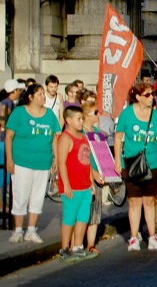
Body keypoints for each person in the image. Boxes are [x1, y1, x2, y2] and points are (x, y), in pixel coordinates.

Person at [4, 84, 61, 243]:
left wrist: (56, 158)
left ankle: (31, 230)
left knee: (37, 197)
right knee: (21, 195)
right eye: (40, 94)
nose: (44, 97)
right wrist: (9, 158)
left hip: (43, 162)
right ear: (30, 97)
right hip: (22, 161)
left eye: (44, 94)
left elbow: (55, 137)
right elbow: (9, 136)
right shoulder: (19, 113)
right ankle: (17, 230)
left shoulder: (49, 114)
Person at [114, 82, 157, 251]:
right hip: (132, 163)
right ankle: (134, 237)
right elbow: (118, 138)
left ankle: (152, 236)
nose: (151, 98)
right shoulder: (126, 115)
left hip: (153, 163)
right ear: (137, 97)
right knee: (134, 202)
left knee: (150, 201)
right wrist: (117, 161)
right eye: (147, 95)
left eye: (152, 94)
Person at [56, 105, 98, 262]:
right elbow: (61, 163)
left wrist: (91, 181)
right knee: (69, 217)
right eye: (78, 119)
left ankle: (78, 246)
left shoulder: (83, 137)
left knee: (83, 217)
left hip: (85, 185)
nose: (81, 122)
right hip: (71, 187)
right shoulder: (65, 138)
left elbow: (87, 161)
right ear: (68, 120)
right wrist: (66, 185)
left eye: (82, 118)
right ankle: (65, 248)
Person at [78, 90, 105, 254]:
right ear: (87, 114)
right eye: (95, 112)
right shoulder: (81, 133)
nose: (98, 114)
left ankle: (91, 244)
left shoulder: (97, 132)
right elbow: (83, 157)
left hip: (98, 174)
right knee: (82, 210)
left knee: (95, 211)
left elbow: (102, 156)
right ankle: (78, 243)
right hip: (84, 175)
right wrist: (92, 173)